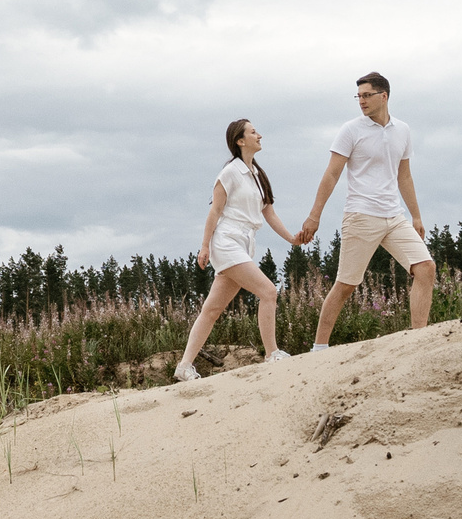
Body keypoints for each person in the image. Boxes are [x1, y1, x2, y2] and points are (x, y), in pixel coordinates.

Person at [294, 71, 432, 348]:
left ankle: (419, 340)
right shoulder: (351, 130)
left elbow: (404, 176)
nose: (361, 101)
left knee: (426, 268)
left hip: (394, 217)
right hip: (361, 215)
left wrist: (416, 215)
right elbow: (332, 174)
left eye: (367, 95)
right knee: (346, 285)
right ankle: (319, 347)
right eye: (358, 96)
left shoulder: (402, 130)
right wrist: (314, 215)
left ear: (384, 96)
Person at [173, 118, 300, 382]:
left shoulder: (258, 175)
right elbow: (215, 211)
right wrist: (204, 246)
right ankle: (272, 353)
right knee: (268, 291)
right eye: (254, 132)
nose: (259, 135)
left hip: (244, 243)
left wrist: (292, 239)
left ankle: (184, 366)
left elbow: (269, 213)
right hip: (227, 241)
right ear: (240, 141)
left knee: (212, 310)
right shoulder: (230, 172)